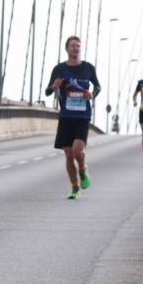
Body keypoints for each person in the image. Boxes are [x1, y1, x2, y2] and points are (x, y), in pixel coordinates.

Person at [44, 35, 100, 199]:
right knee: (68, 154)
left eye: (78, 46)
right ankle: (75, 188)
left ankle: (82, 170)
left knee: (77, 151)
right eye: (72, 46)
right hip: (66, 116)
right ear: (67, 49)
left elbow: (98, 86)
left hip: (82, 117)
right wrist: (54, 86)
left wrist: (92, 94)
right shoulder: (59, 69)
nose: (75, 48)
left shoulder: (88, 68)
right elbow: (47, 91)